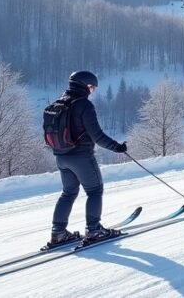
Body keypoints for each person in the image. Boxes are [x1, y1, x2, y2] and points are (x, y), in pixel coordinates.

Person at [46, 70, 128, 249]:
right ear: (85, 86)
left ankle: (58, 233)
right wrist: (118, 147)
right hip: (81, 157)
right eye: (92, 87)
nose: (92, 91)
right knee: (95, 191)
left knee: (68, 193)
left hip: (61, 157)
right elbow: (97, 136)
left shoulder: (58, 104)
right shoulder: (84, 105)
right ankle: (93, 230)